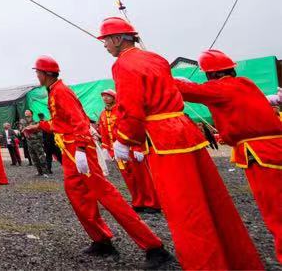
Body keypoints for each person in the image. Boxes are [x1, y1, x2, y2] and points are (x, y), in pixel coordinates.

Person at [100, 16, 262, 270]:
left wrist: (125, 138)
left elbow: (131, 107)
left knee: (186, 213)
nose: (105, 45)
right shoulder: (155, 58)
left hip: (165, 141)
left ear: (118, 39)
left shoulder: (122, 64)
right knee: (214, 203)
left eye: (106, 40)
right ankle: (239, 261)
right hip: (186, 133)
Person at [34, 55, 171, 266]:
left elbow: (79, 121)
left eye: (37, 72)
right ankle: (101, 239)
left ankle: (154, 247)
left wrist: (80, 148)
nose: (36, 75)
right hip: (70, 154)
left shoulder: (62, 92)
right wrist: (38, 127)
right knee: (78, 198)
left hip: (79, 151)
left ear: (44, 73)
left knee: (108, 196)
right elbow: (61, 123)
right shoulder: (54, 91)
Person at [175, 48, 282, 264]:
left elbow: (188, 91)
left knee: (276, 212)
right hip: (275, 146)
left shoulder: (221, 89)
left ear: (209, 74)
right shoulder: (246, 84)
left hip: (259, 154)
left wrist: (168, 78)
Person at [97, 90, 159, 213]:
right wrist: (106, 148)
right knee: (129, 177)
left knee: (142, 176)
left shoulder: (122, 111)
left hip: (131, 149)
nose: (105, 98)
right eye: (103, 96)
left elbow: (134, 128)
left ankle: (152, 204)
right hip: (117, 151)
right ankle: (138, 202)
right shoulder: (103, 114)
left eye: (108, 96)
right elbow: (103, 132)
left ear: (114, 97)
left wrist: (137, 147)